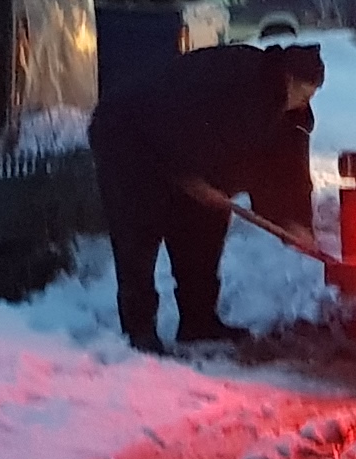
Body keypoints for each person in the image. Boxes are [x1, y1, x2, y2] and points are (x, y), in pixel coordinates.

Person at [90, 38, 322, 352]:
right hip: (129, 136)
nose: (306, 102)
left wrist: (295, 222)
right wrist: (192, 179)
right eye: (304, 93)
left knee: (204, 229)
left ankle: (198, 322)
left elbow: (288, 170)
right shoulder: (238, 81)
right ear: (287, 79)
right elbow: (183, 123)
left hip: (193, 156)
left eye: (313, 96)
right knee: (138, 234)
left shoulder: (287, 112)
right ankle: (139, 330)